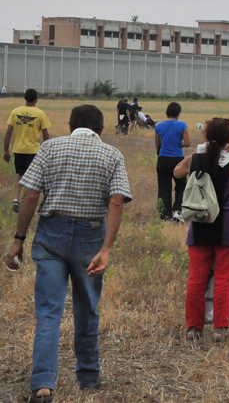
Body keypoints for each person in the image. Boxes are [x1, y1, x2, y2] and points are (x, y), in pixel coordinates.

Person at [4, 104, 131, 402]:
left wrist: (19, 240)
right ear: (101, 129)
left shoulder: (50, 149)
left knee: (49, 311)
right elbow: (116, 202)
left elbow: (30, 195)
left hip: (52, 234)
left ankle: (43, 383)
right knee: (87, 307)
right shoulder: (112, 154)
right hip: (91, 237)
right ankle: (88, 376)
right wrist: (106, 249)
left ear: (71, 126)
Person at [173, 117, 229, 343]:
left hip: (199, 224)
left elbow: (177, 172)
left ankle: (193, 328)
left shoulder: (195, 159)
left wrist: (198, 155)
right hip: (226, 226)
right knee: (223, 279)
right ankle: (220, 329)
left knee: (196, 278)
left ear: (206, 135)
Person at [4, 89, 51, 214]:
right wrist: (48, 150)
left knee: (20, 174)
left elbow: (8, 132)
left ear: (24, 98)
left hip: (18, 149)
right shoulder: (40, 113)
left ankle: (16, 198)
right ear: (36, 99)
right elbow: (45, 135)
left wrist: (6, 150)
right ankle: (27, 200)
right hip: (33, 150)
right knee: (33, 177)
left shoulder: (15, 112)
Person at [155, 102, 191, 222]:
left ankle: (165, 215)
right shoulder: (182, 125)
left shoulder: (159, 126)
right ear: (178, 114)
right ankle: (178, 210)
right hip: (177, 159)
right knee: (181, 185)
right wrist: (180, 144)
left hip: (163, 159)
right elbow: (188, 143)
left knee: (164, 188)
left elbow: (157, 145)